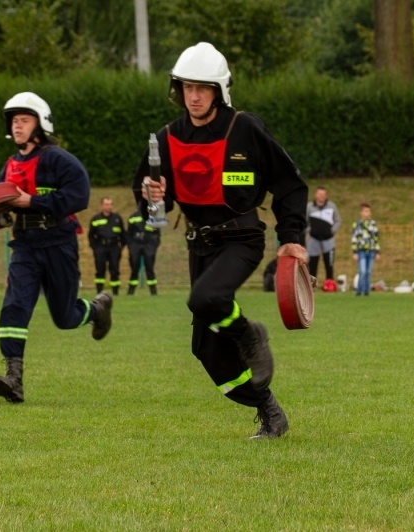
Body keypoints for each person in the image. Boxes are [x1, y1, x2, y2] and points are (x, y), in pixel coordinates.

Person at [132, 42, 308, 439]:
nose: (194, 96)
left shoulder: (245, 127)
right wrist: (151, 196)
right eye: (187, 88)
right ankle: (269, 410)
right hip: (199, 244)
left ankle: (250, 334)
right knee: (205, 348)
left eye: (203, 88)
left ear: (219, 90)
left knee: (203, 299)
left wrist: (291, 236)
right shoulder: (165, 138)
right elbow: (146, 193)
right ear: (178, 90)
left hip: (243, 238)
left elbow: (290, 183)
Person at [0, 91, 112, 403]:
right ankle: (13, 377)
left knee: (64, 317)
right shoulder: (10, 165)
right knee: (15, 305)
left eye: (24, 120)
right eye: (14, 121)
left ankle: (97, 310)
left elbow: (79, 196)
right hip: (25, 246)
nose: (17, 126)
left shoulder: (59, 159)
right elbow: (0, 206)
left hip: (59, 243)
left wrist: (34, 201)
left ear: (40, 124)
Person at [88, 197, 125, 295]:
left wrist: (121, 246)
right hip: (100, 247)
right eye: (106, 204)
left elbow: (123, 234)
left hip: (114, 247)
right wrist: (95, 248)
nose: (109, 207)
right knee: (100, 270)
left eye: (110, 204)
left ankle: (115, 293)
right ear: (102, 206)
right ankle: (99, 292)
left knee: (115, 270)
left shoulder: (117, 218)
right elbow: (91, 235)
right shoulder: (96, 219)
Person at [306, 186, 341, 283]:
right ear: (316, 195)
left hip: (328, 240)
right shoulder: (309, 207)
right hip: (314, 239)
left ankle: (329, 283)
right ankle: (311, 284)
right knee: (312, 264)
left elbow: (338, 221)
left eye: (323, 194)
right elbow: (304, 222)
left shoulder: (332, 206)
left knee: (329, 263)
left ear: (326, 195)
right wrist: (310, 230)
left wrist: (331, 231)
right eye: (319, 194)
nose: (321, 196)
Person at [125, 208, 160, 295]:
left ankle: (153, 292)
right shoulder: (133, 217)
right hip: (135, 245)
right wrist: (131, 246)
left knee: (150, 268)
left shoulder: (154, 216)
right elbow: (129, 233)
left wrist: (154, 245)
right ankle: (130, 292)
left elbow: (157, 233)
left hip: (149, 245)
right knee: (134, 268)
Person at [351, 203, 381, 296]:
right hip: (361, 251)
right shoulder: (357, 224)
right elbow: (354, 238)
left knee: (368, 272)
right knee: (362, 271)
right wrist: (355, 252)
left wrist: (377, 251)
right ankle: (359, 290)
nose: (367, 213)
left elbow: (376, 238)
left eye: (369, 211)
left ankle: (366, 291)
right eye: (365, 211)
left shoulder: (373, 224)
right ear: (361, 213)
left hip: (371, 251)